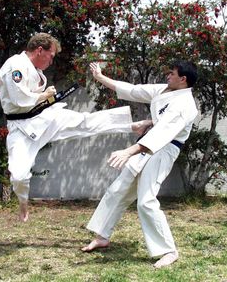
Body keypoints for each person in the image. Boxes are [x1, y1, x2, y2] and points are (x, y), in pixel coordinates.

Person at [0, 33, 151, 222]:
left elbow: (32, 96)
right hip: (21, 127)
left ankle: (131, 126)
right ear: (39, 50)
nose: (51, 61)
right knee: (19, 175)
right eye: (51, 55)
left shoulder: (34, 69)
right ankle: (23, 203)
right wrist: (43, 95)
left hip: (44, 116)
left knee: (84, 122)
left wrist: (44, 96)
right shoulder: (15, 66)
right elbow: (18, 98)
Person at [81, 60, 198, 268]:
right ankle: (102, 236)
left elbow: (164, 133)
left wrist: (128, 151)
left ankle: (169, 250)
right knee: (119, 189)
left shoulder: (185, 105)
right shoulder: (164, 90)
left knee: (145, 200)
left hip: (165, 149)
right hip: (147, 145)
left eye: (171, 74)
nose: (167, 76)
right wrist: (100, 77)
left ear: (183, 79)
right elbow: (133, 90)